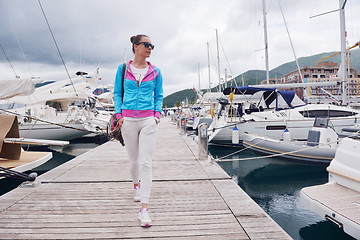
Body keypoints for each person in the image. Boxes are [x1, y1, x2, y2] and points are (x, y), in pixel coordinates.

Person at [113, 34, 163, 227]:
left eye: (152, 45)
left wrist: (156, 116)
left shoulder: (156, 71)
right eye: (147, 44)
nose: (150, 48)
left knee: (146, 162)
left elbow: (158, 95)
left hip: (148, 120)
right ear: (136, 46)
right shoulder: (123, 69)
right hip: (128, 120)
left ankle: (144, 208)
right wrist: (119, 115)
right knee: (134, 161)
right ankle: (136, 185)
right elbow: (117, 93)